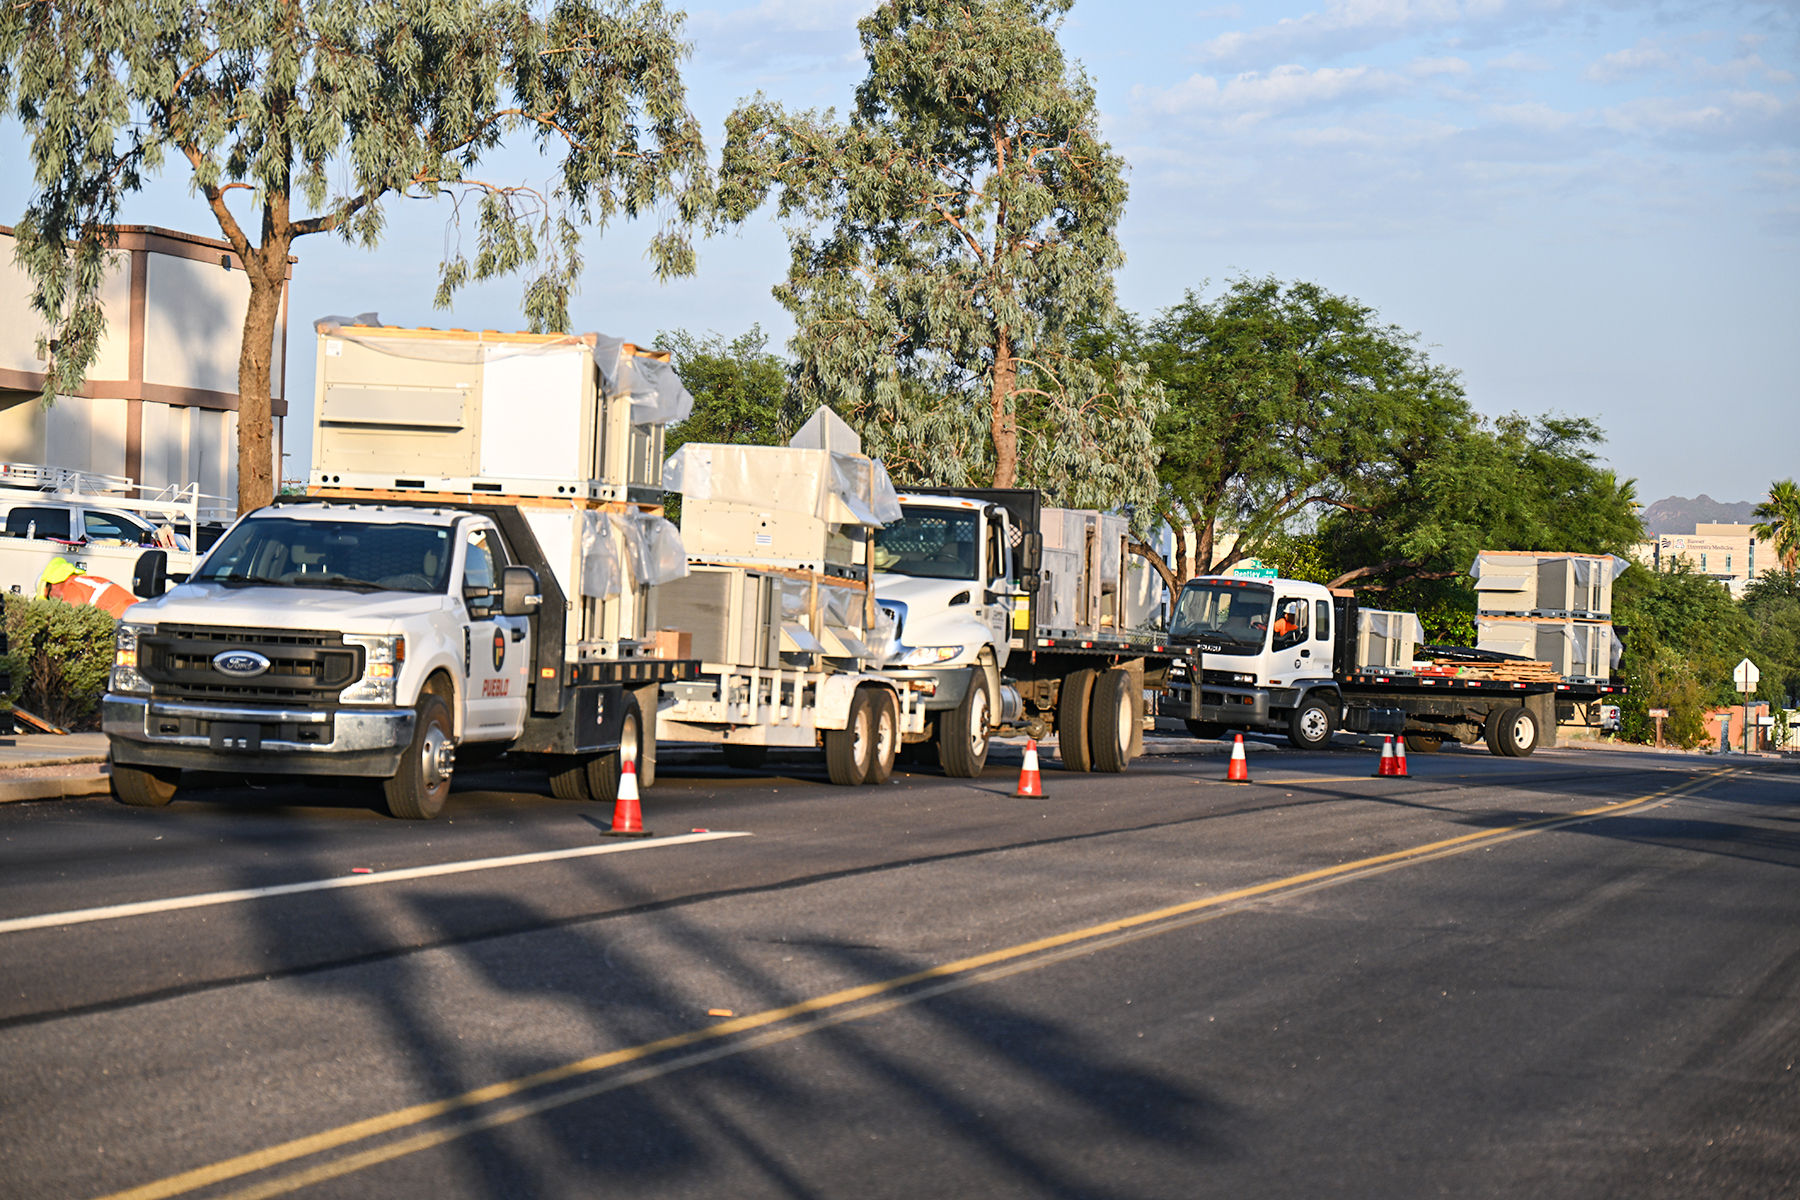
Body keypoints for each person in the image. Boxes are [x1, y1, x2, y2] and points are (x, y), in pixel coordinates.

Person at [38, 557, 140, 618]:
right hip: (133, 609)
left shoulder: (71, 588)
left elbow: (72, 619)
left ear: (53, 585)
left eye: (48, 597)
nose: (52, 601)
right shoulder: (83, 582)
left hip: (120, 613)